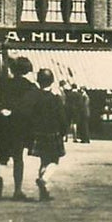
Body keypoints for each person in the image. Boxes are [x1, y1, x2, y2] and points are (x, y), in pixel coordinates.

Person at [0, 56, 38, 201]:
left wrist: (3, 110)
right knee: (18, 158)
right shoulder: (30, 88)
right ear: (27, 70)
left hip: (3, 124)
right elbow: (30, 109)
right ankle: (17, 190)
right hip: (20, 125)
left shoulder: (3, 84)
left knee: (3, 156)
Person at [28, 68, 68, 202]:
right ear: (52, 81)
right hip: (53, 132)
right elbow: (62, 117)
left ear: (39, 81)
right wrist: (63, 131)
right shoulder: (55, 99)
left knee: (43, 161)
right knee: (54, 161)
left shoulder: (35, 97)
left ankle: (43, 193)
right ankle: (43, 180)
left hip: (38, 133)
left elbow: (31, 115)